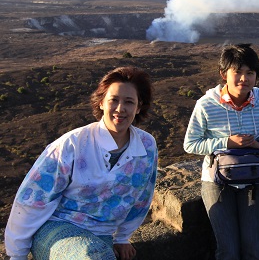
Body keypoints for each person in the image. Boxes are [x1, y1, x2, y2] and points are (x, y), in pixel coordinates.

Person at [4, 66, 158, 260]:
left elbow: (143, 196)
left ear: (139, 106)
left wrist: (123, 237)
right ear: (101, 102)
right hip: (57, 228)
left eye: (129, 102)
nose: (120, 109)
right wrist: (17, 254)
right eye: (114, 100)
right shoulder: (73, 144)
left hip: (102, 235)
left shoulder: (146, 146)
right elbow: (32, 199)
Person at [183, 43, 259, 260]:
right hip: (216, 181)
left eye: (250, 73)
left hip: (254, 179)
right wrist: (226, 143)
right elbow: (190, 144)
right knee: (227, 250)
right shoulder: (206, 104)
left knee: (254, 249)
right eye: (237, 72)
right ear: (223, 74)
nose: (243, 79)